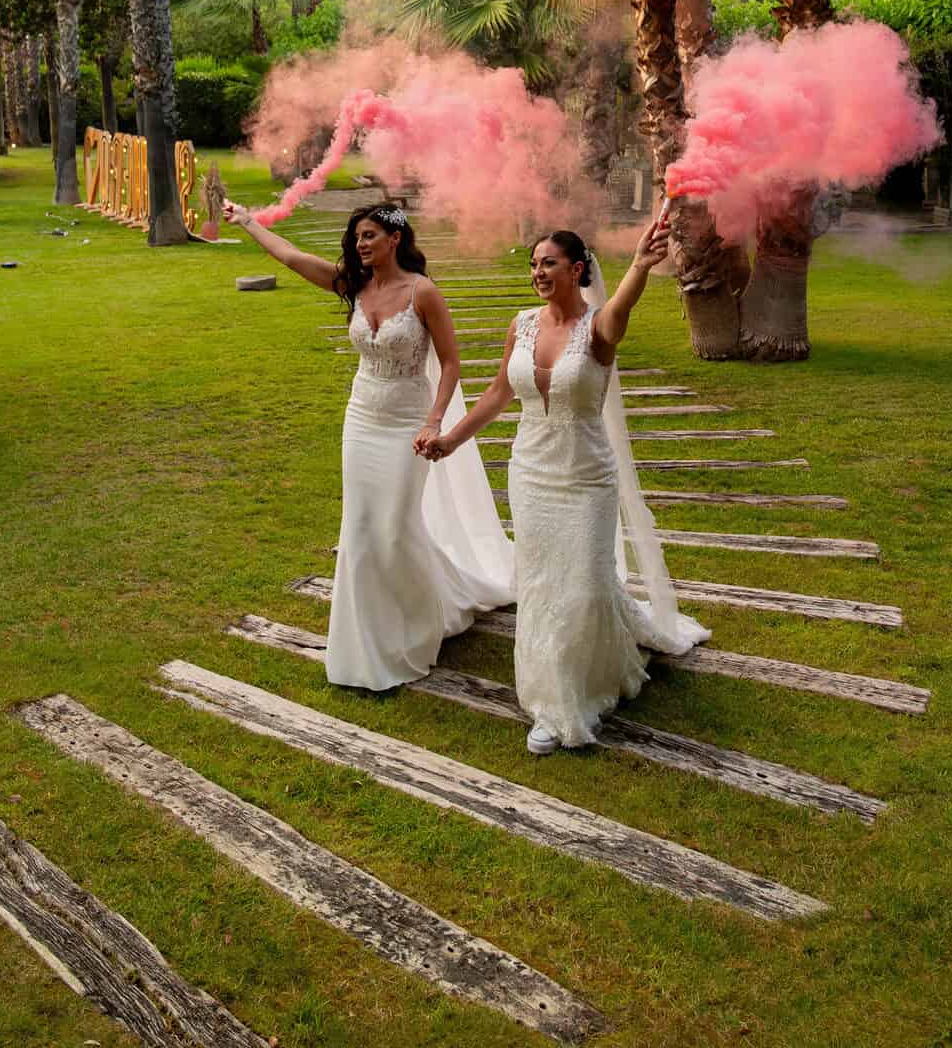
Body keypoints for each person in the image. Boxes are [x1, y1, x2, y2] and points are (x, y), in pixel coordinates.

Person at [419, 218, 709, 753]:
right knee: (539, 585)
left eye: (548, 263)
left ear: (577, 270)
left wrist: (642, 266)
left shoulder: (599, 329)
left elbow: (622, 307)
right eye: (533, 264)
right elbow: (498, 393)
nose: (537, 272)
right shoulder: (522, 325)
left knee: (584, 585)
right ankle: (552, 701)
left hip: (586, 479)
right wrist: (452, 439)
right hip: (531, 472)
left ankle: (586, 684)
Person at [222, 198, 514, 689]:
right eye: (356, 237)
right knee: (360, 526)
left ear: (394, 239)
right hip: (361, 418)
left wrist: (434, 420)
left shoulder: (423, 292)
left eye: (369, 236)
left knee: (396, 528)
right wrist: (249, 221)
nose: (359, 245)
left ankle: (422, 617)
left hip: (408, 423)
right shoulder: (353, 285)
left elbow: (450, 364)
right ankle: (363, 641)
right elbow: (291, 257)